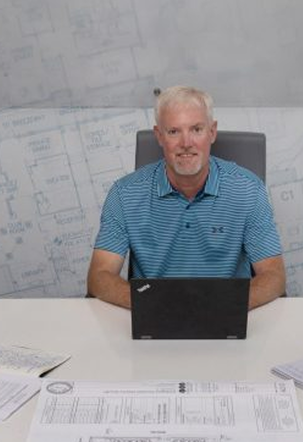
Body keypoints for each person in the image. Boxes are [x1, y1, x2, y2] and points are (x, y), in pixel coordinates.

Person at [86, 85, 286, 309]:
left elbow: (274, 276)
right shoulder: (124, 194)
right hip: (153, 316)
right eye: (173, 131)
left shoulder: (249, 190)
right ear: (159, 136)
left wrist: (225, 307)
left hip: (227, 315)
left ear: (212, 132)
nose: (186, 143)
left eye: (197, 129)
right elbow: (99, 276)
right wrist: (151, 305)